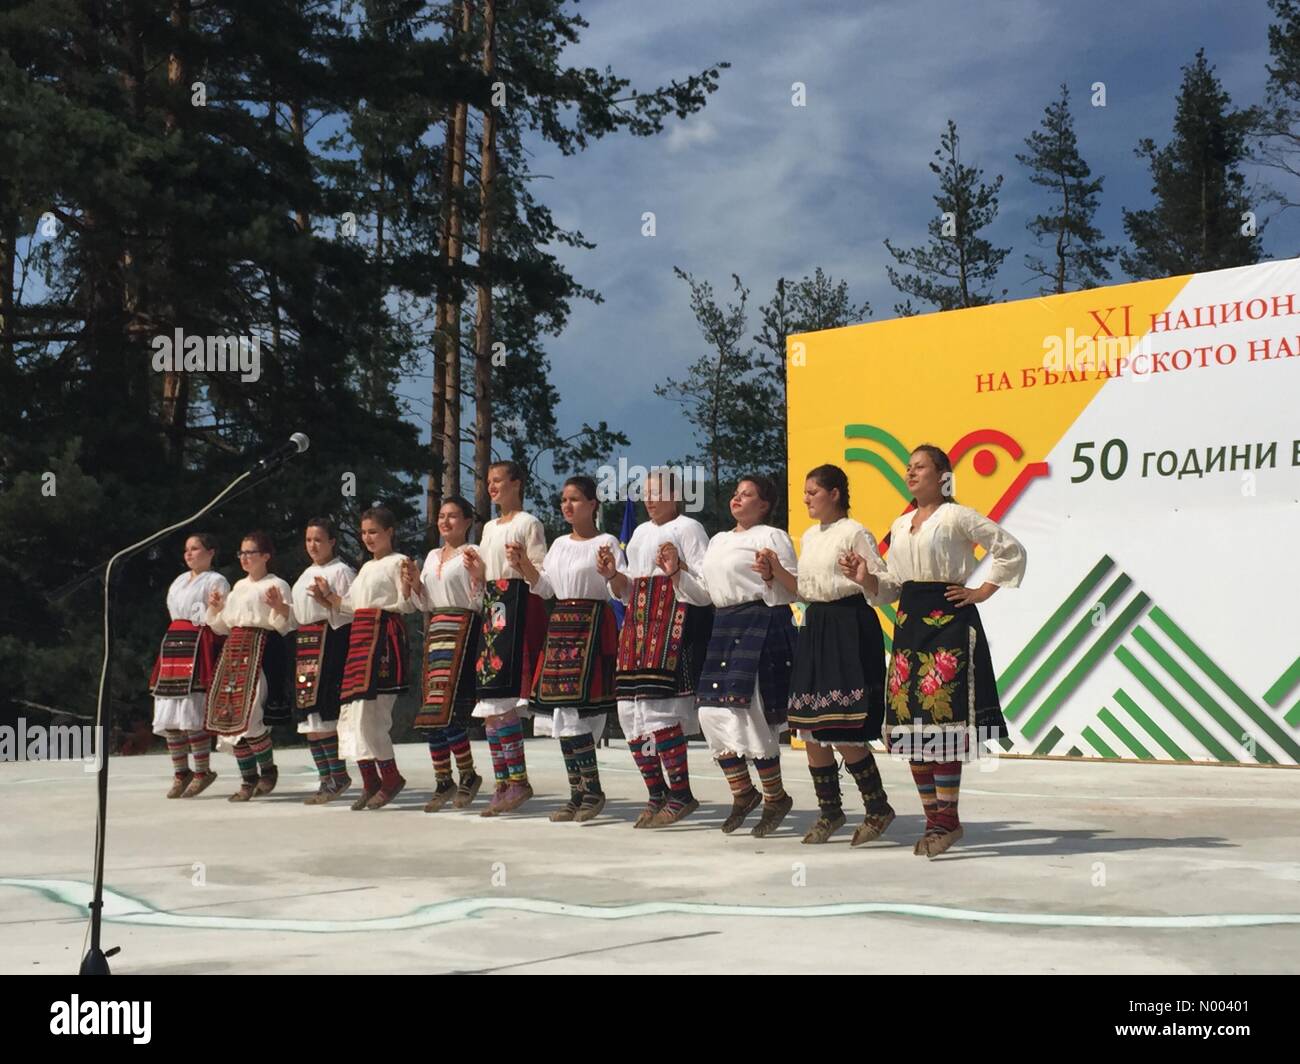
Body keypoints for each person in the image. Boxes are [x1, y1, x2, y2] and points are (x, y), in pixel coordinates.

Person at [841, 444, 1026, 857]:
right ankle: (932, 819)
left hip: (948, 624)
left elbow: (1009, 549)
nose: (911, 473)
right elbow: (890, 586)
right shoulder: (902, 522)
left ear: (942, 475)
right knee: (911, 725)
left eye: (920, 467)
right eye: (908, 467)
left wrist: (980, 590)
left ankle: (948, 820)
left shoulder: (956, 516)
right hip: (909, 626)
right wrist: (865, 578)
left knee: (942, 721)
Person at [763, 465, 894, 846]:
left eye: (813, 492)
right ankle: (830, 810)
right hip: (815, 625)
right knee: (810, 727)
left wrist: (863, 576)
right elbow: (803, 589)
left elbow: (884, 585)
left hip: (848, 627)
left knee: (842, 724)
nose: (806, 499)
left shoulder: (854, 533)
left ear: (835, 493)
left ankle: (877, 807)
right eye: (804, 492)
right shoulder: (809, 536)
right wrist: (774, 571)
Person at [670, 475, 797, 836]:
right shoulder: (719, 540)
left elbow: (792, 587)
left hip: (760, 621)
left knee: (748, 709)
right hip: (723, 626)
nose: (737, 499)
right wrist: (678, 571)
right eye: (736, 494)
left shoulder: (772, 536)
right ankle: (743, 793)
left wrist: (773, 575)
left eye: (747, 495)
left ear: (764, 505)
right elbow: (705, 593)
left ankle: (775, 797)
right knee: (710, 710)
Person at [603, 469, 712, 827]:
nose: (650, 500)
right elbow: (629, 589)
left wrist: (676, 570)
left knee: (660, 712)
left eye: (657, 493)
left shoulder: (688, 528)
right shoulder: (638, 534)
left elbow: (704, 588)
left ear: (676, 495)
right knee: (630, 713)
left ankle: (681, 792)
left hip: (672, 625)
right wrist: (611, 576)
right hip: (637, 626)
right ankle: (656, 790)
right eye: (645, 493)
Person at [513, 475, 623, 823]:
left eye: (574, 499)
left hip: (589, 622)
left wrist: (610, 572)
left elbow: (618, 588)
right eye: (563, 499)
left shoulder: (607, 541)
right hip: (561, 624)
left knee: (577, 710)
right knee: (561, 712)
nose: (567, 505)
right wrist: (524, 567)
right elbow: (545, 588)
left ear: (593, 504)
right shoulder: (559, 543)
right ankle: (577, 792)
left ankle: (593, 790)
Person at [317, 506, 417, 810]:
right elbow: (353, 606)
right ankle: (370, 780)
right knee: (351, 714)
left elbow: (407, 604)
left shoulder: (398, 562)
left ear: (390, 532)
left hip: (382, 640)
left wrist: (411, 582)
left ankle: (390, 777)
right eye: (363, 532)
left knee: (372, 716)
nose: (367, 538)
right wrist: (328, 598)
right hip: (360, 642)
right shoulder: (365, 568)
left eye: (373, 531)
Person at [463, 461, 546, 816]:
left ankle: (518, 780)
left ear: (516, 484)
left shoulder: (529, 523)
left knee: (505, 698)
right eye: (488, 481)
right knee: (490, 703)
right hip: (494, 609)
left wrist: (522, 562)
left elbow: (541, 576)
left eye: (498, 480)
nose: (491, 486)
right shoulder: (488, 528)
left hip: (517, 606)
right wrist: (477, 572)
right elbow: (484, 581)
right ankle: (503, 781)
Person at [402, 496, 485, 812]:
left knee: (450, 711)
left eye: (453, 516)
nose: (445, 522)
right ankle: (442, 779)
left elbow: (479, 600)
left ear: (467, 522)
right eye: (441, 516)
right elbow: (423, 603)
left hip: (463, 631)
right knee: (430, 714)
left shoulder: (472, 553)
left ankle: (467, 775)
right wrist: (413, 583)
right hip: (436, 633)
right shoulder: (433, 555)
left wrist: (478, 577)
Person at [204, 531, 293, 801]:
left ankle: (266, 769)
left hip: (260, 652)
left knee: (252, 715)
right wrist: (217, 608)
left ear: (265, 555)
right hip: (233, 655)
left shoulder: (276, 584)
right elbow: (221, 626)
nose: (244, 558)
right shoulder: (238, 587)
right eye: (241, 553)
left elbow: (285, 625)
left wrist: (280, 607)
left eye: (250, 553)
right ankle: (248, 777)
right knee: (230, 717)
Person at [148, 533, 229, 798]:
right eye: (187, 550)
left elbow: (219, 616)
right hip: (174, 644)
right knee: (169, 712)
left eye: (195, 549)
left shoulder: (215, 580)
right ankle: (181, 772)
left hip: (197, 643)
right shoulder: (179, 581)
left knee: (191, 709)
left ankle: (203, 771)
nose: (189, 554)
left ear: (210, 552)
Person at [290, 518, 356, 804]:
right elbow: (296, 614)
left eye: (318, 539)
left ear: (332, 541)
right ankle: (325, 777)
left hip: (331, 641)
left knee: (325, 710)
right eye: (308, 540)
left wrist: (327, 599)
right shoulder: (305, 573)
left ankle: (338, 775)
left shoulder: (342, 571)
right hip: (306, 644)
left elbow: (350, 610)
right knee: (309, 716)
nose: (313, 545)